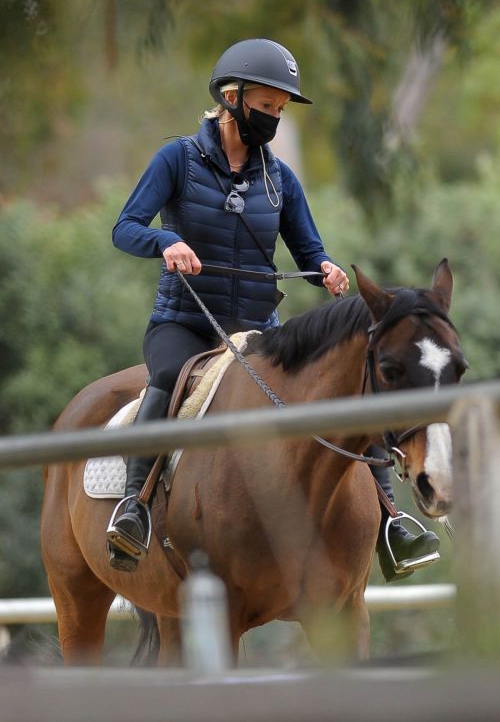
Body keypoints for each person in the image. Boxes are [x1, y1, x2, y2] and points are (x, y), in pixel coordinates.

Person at [106, 38, 439, 577]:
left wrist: (326, 269)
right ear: (232, 98)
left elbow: (309, 251)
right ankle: (134, 507)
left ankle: (389, 518)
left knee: (342, 385)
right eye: (267, 107)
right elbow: (125, 228)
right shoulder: (176, 160)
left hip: (260, 330)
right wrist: (165, 244)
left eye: (281, 111)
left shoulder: (278, 177)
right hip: (187, 323)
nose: (274, 119)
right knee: (166, 376)